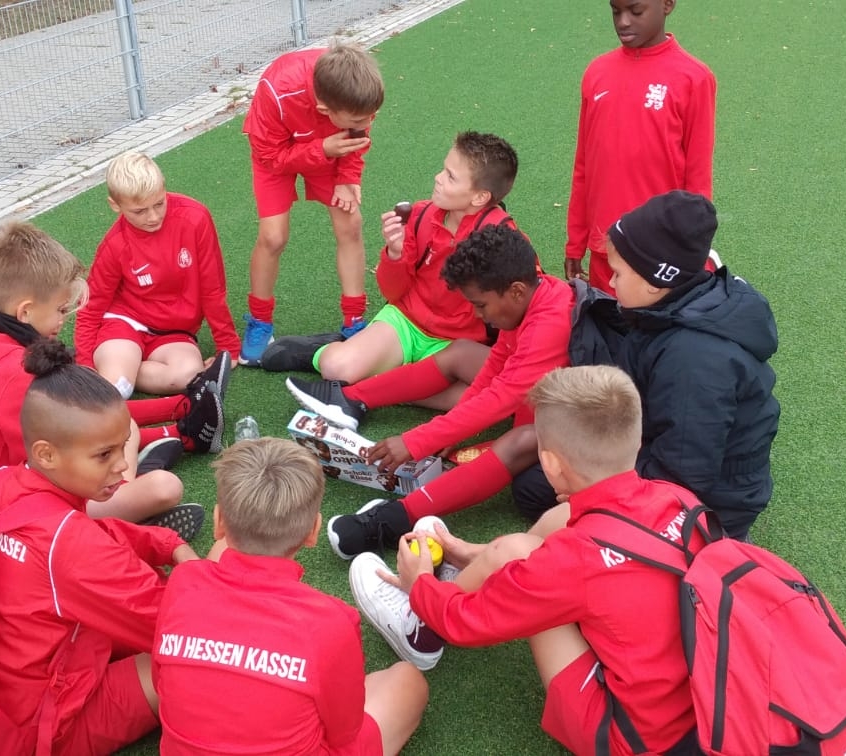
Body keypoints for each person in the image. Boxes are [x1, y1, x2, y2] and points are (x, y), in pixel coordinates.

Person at [349, 366, 705, 755]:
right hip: (705, 701)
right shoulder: (680, 499)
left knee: (519, 558)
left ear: (549, 464)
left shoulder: (572, 560)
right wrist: (478, 554)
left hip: (635, 741)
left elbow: (465, 623)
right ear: (636, 442)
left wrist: (420, 584)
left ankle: (421, 630)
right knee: (561, 522)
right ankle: (477, 567)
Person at [0, 221, 194, 547]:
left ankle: (125, 495)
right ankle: (119, 524)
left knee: (122, 437)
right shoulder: (17, 374)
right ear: (25, 312)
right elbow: (67, 456)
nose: (63, 320)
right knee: (163, 487)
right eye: (61, 309)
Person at [285, 225, 573, 558]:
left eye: (481, 305)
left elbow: (500, 398)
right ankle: (349, 398)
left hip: (570, 421)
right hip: (550, 397)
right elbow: (496, 366)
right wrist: (451, 426)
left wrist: (417, 440)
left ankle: (394, 519)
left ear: (517, 292)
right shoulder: (536, 296)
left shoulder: (549, 323)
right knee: (462, 352)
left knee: (520, 440)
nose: (478, 315)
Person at [0, 339, 200, 755]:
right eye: (104, 455)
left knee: (144, 583)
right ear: (46, 454)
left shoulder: (4, 483)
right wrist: (203, 575)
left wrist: (166, 542)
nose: (122, 464)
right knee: (195, 659)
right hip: (43, 727)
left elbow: (89, 533)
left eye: (122, 446)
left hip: (0, 689)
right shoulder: (72, 545)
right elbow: (186, 628)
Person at [522, 191, 779, 539]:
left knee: (550, 498)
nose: (610, 283)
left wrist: (597, 489)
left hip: (712, 502)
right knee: (534, 487)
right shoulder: (670, 307)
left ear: (656, 281)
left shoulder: (694, 359)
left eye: (617, 274)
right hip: (659, 448)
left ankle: (713, 546)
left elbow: (685, 474)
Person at [152, 438, 427, 754]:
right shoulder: (331, 620)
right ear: (313, 531)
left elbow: (162, 685)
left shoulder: (183, 581)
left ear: (218, 521)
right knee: (408, 680)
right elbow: (343, 732)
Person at [260, 131, 520, 382]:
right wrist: (395, 253)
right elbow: (392, 292)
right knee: (335, 367)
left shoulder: (503, 237)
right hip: (406, 324)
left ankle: (376, 365)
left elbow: (525, 301)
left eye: (450, 177)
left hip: (460, 343)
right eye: (443, 169)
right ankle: (329, 353)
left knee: (496, 392)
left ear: (481, 197)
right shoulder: (419, 215)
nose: (438, 178)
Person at [239, 40, 385, 365]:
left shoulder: (358, 92)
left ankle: (354, 322)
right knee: (273, 237)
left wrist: (348, 177)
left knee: (351, 224)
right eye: (357, 119)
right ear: (324, 109)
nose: (366, 123)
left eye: (370, 116)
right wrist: (322, 150)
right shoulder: (276, 92)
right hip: (278, 155)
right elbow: (271, 158)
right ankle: (259, 323)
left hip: (331, 148)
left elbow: (358, 136)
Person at [566, 0, 716, 293]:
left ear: (667, 5)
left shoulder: (694, 78)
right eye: (616, 11)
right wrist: (576, 242)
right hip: (604, 247)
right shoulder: (597, 72)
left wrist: (691, 249)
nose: (623, 22)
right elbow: (584, 165)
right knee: (606, 318)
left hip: (659, 251)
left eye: (636, 12)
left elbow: (698, 179)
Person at [73, 151, 241, 397]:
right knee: (118, 389)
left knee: (188, 377)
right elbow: (91, 306)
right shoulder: (115, 244)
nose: (153, 217)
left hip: (173, 334)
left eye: (159, 203)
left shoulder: (195, 218)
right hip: (124, 324)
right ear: (115, 205)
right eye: (139, 211)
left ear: (164, 188)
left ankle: (122, 366)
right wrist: (85, 365)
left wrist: (227, 347)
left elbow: (212, 286)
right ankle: (117, 368)